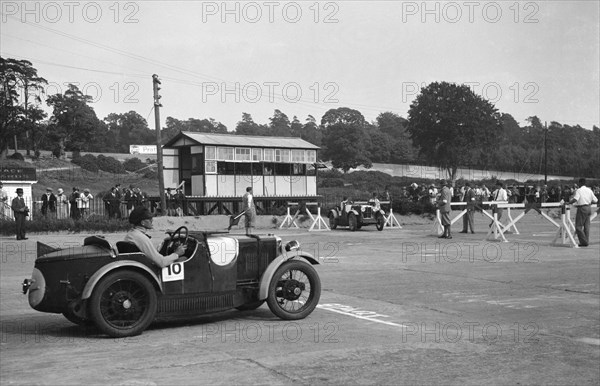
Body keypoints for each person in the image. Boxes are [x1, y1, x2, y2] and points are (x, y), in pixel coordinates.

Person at [567, 178, 598, 247]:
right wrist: (589, 202)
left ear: (580, 183)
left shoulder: (579, 190)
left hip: (582, 208)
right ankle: (586, 241)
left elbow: (575, 199)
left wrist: (568, 202)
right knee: (586, 226)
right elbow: (596, 200)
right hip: (589, 208)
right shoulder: (589, 190)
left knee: (578, 227)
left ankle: (584, 242)